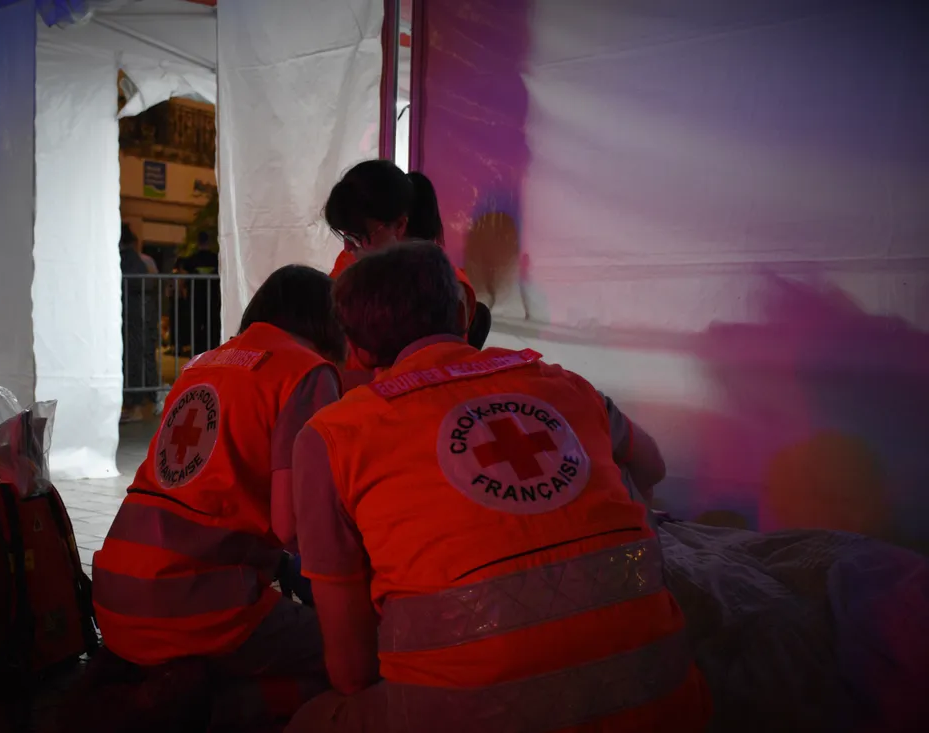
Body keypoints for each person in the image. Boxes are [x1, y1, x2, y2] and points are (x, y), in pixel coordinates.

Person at [287, 242, 710, 733]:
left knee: (311, 718)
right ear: (462, 315)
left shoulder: (333, 435)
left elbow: (352, 671)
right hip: (666, 702)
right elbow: (652, 466)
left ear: (356, 349)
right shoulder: (566, 385)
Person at [87, 264, 345, 732]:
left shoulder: (203, 364)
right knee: (356, 654)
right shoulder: (307, 373)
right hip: (197, 605)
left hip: (115, 594)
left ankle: (176, 689)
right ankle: (217, 710)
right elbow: (294, 528)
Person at [323, 161, 489, 387]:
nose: (347, 247)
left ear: (399, 225)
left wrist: (328, 383)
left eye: (357, 235)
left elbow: (425, 378)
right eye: (345, 236)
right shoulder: (352, 261)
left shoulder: (437, 286)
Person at [119, 224, 160, 422]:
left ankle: (134, 404)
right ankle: (139, 401)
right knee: (137, 357)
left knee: (132, 359)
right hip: (138, 315)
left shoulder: (128, 260)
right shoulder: (139, 260)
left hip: (131, 316)